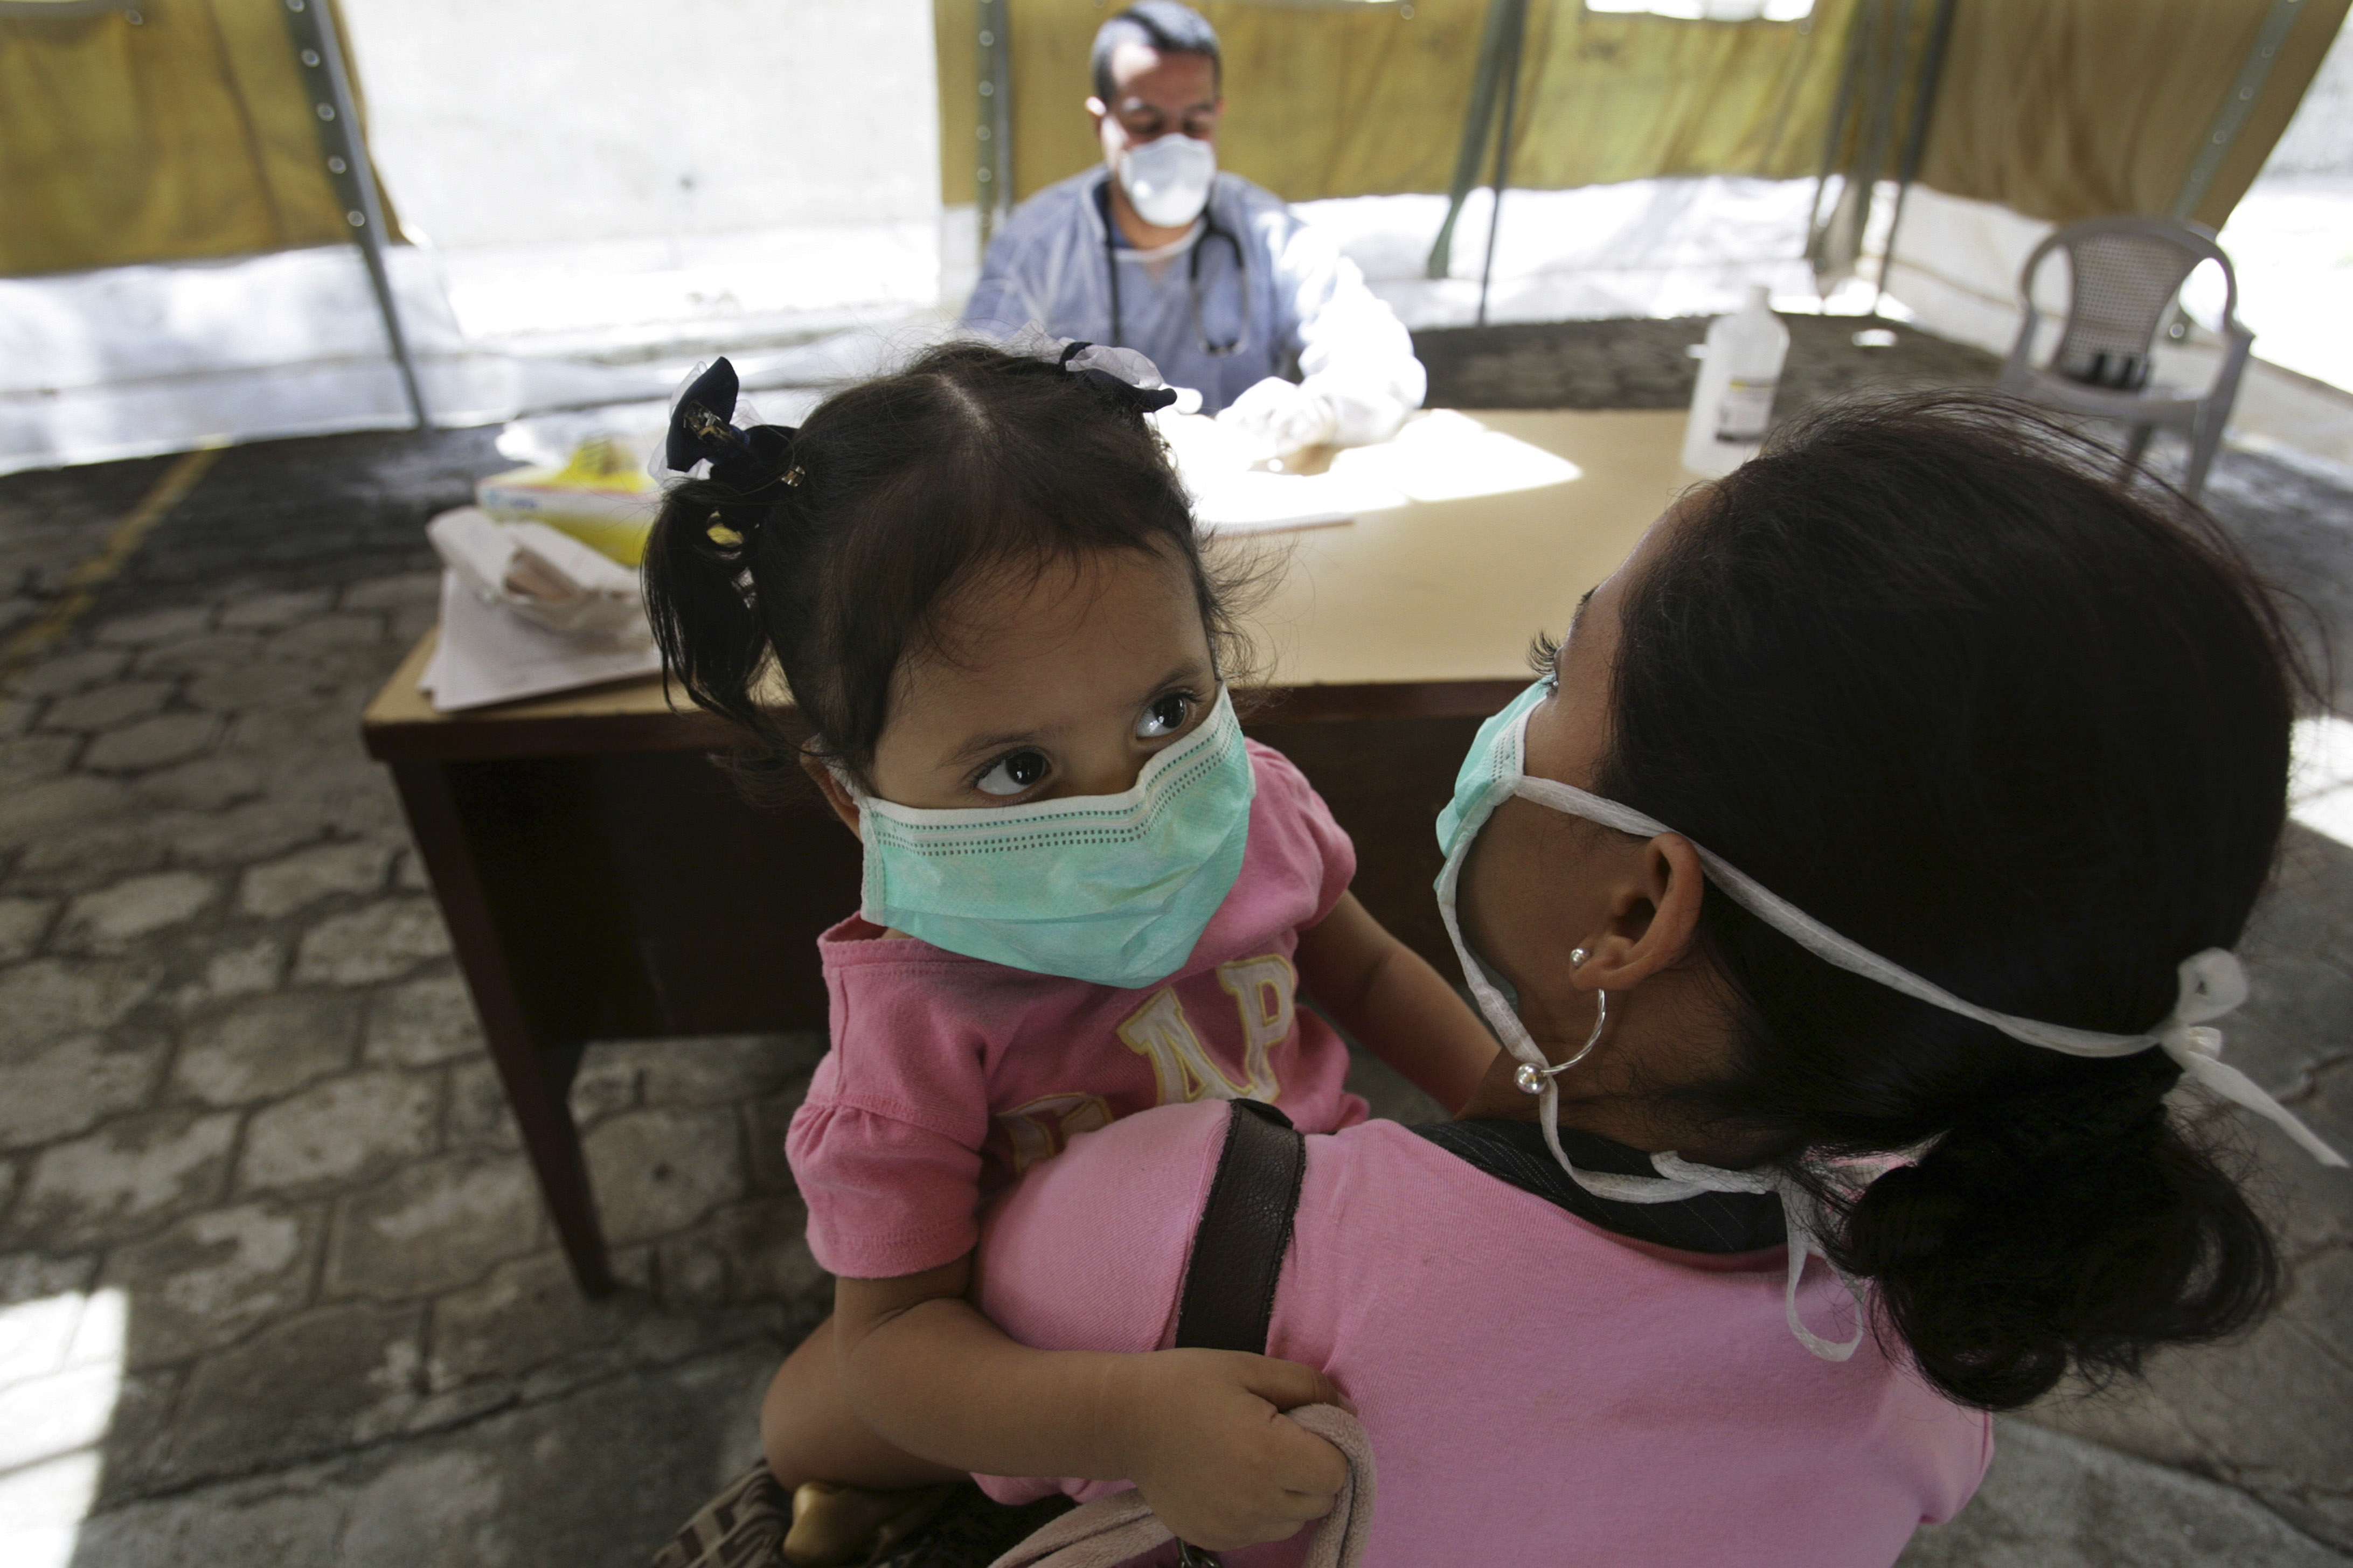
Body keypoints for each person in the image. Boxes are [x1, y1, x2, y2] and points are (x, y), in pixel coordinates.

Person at [959, 394, 2344, 1563]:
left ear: (1632, 905)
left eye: (1559, 671)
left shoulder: (1174, 1226)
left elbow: (848, 1410)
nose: (1513, 720)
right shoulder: (1936, 1321)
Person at [640, 340, 1499, 1564]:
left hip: (1301, 1233)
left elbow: (1361, 970)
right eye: (1018, 768)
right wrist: (1128, 1418)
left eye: (1166, 709)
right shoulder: (916, 1018)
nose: (1136, 803)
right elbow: (898, 1342)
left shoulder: (1253, 809)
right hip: (1043, 1334)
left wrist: (1506, 1116)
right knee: (801, 1424)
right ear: (854, 800)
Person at [961, 1, 1427, 456]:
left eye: (1195, 123)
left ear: (1218, 114)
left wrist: (1320, 410)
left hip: (1252, 492)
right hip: (1098, 506)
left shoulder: (1267, 233)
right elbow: (975, 388)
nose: (1173, 145)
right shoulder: (1040, 244)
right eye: (1145, 123)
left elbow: (1380, 358)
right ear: (1099, 119)